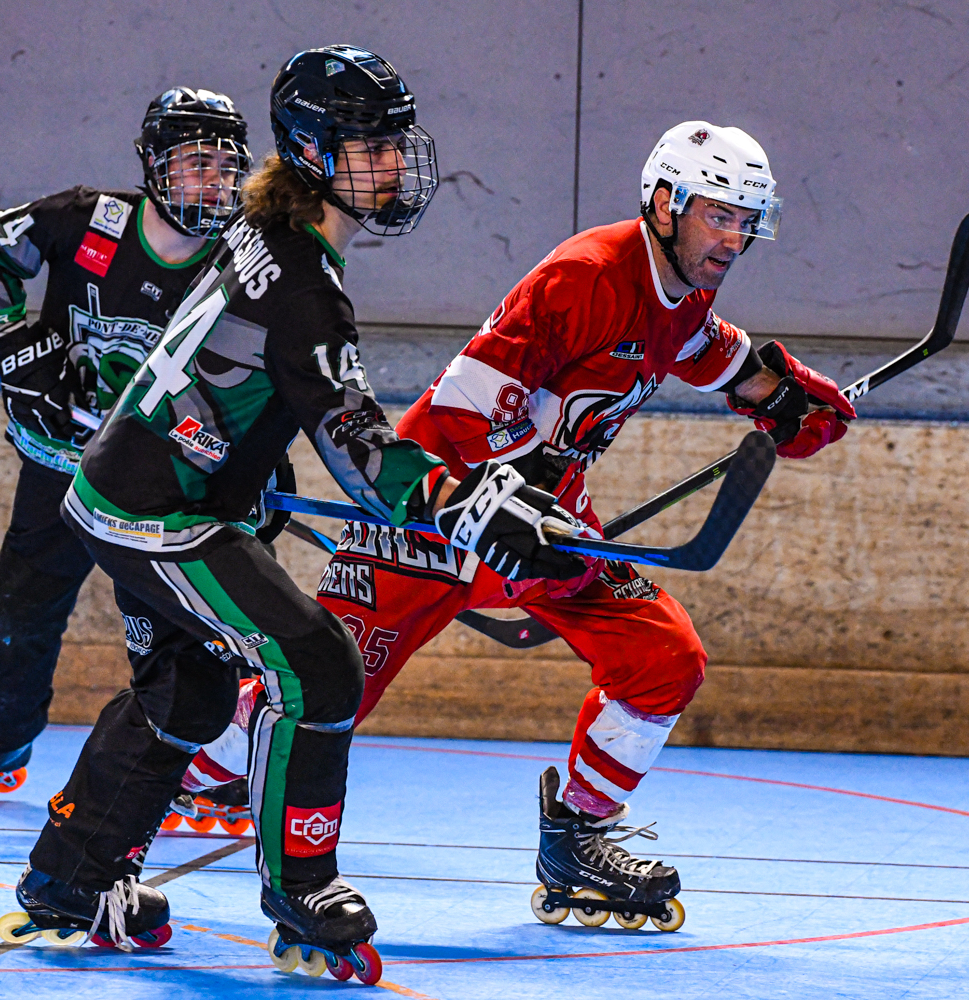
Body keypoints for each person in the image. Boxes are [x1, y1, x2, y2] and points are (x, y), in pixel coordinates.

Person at [190, 119, 857, 933]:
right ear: (663, 202)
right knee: (326, 690)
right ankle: (167, 779)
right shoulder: (586, 275)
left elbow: (709, 349)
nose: (735, 236)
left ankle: (576, 838)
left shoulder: (683, 287)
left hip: (547, 524)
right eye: (719, 214)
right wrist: (519, 506)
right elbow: (470, 402)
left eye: (747, 219)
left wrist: (779, 393)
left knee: (661, 657)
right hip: (436, 510)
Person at [0, 46, 446, 978]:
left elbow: (244, 384)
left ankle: (66, 879)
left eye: (396, 143)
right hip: (156, 511)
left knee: (190, 688)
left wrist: (250, 476)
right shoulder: (307, 286)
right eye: (373, 146)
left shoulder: (262, 232)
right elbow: (361, 449)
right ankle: (301, 887)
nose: (396, 164)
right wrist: (460, 502)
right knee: (317, 665)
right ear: (316, 153)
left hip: (136, 491)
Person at [0, 88, 252, 798]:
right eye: (194, 163)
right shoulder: (90, 220)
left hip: (158, 490)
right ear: (154, 164)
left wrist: (231, 461)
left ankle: (198, 763)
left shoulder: (246, 263)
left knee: (169, 625)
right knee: (21, 609)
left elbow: (261, 379)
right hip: (58, 465)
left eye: (225, 166)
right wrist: (14, 352)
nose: (211, 182)